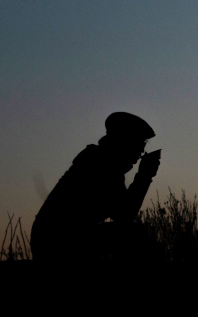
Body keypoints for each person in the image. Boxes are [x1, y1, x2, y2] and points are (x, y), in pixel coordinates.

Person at [31, 112, 161, 262]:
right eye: (139, 144)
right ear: (125, 142)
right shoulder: (102, 165)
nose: (141, 152)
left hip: (53, 239)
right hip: (56, 243)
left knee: (133, 234)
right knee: (135, 235)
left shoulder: (101, 161)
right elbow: (124, 214)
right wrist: (144, 176)